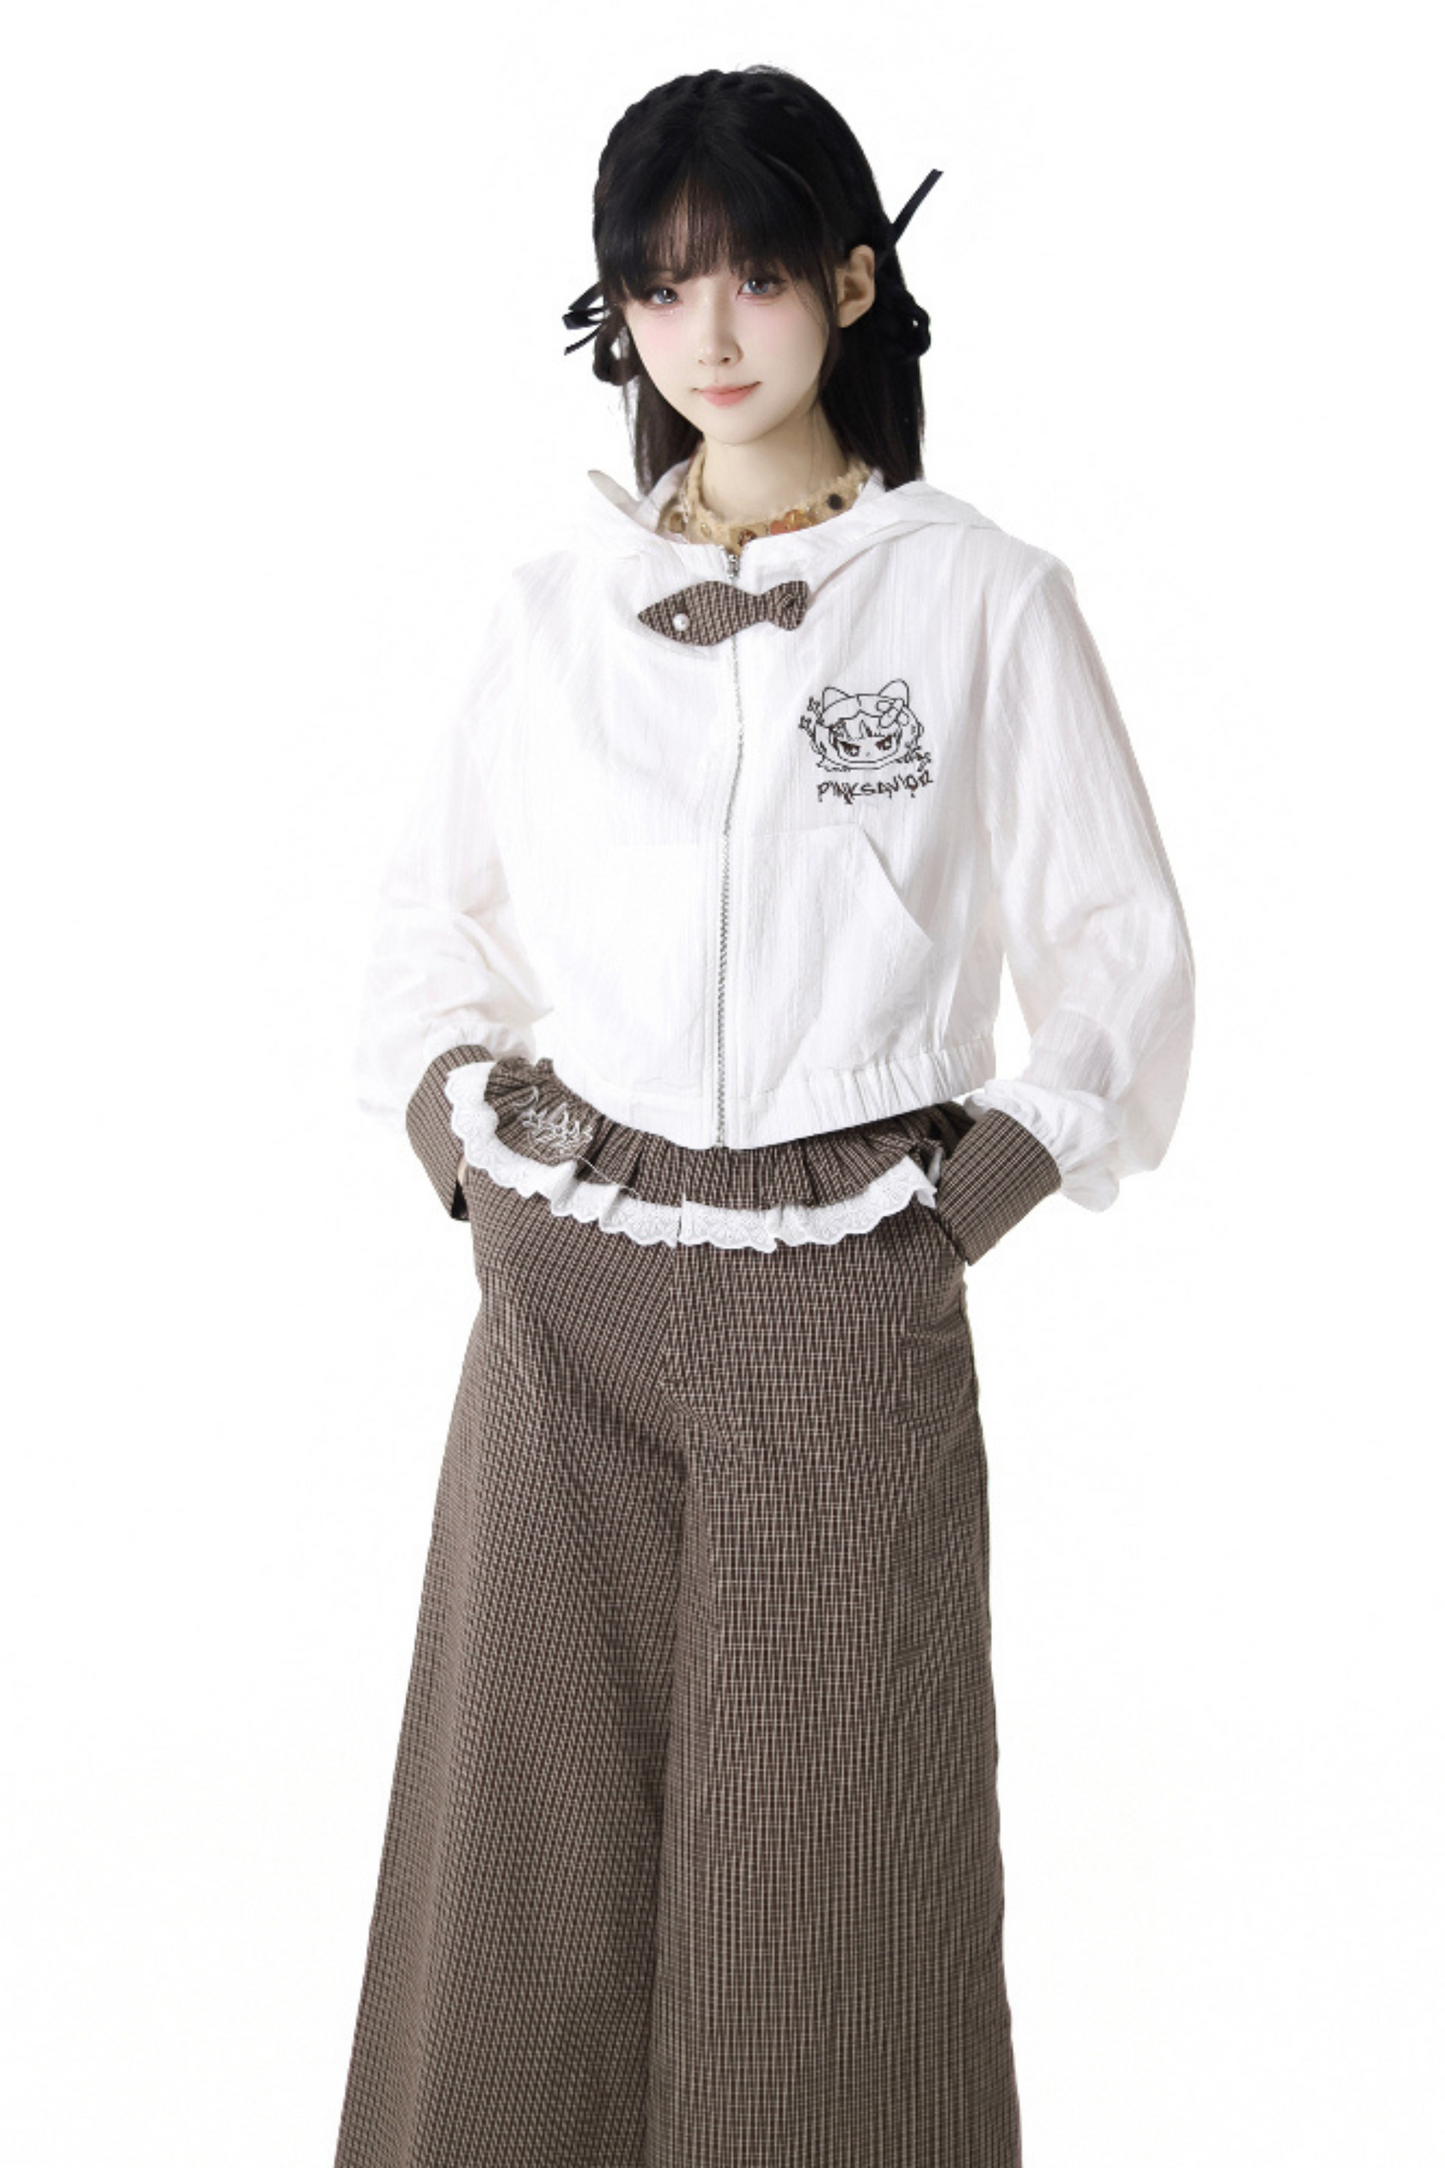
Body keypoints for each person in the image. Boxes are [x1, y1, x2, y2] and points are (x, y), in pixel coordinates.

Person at [333, 62, 1195, 2168]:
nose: (705, 333)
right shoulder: (554, 610)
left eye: (749, 276)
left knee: (829, 1864)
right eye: (657, 287)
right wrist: (470, 1160)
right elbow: (421, 927)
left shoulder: (976, 594)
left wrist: (958, 1206)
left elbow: (1119, 954)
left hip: (847, 1272)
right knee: (530, 1847)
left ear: (850, 280)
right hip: (573, 1280)